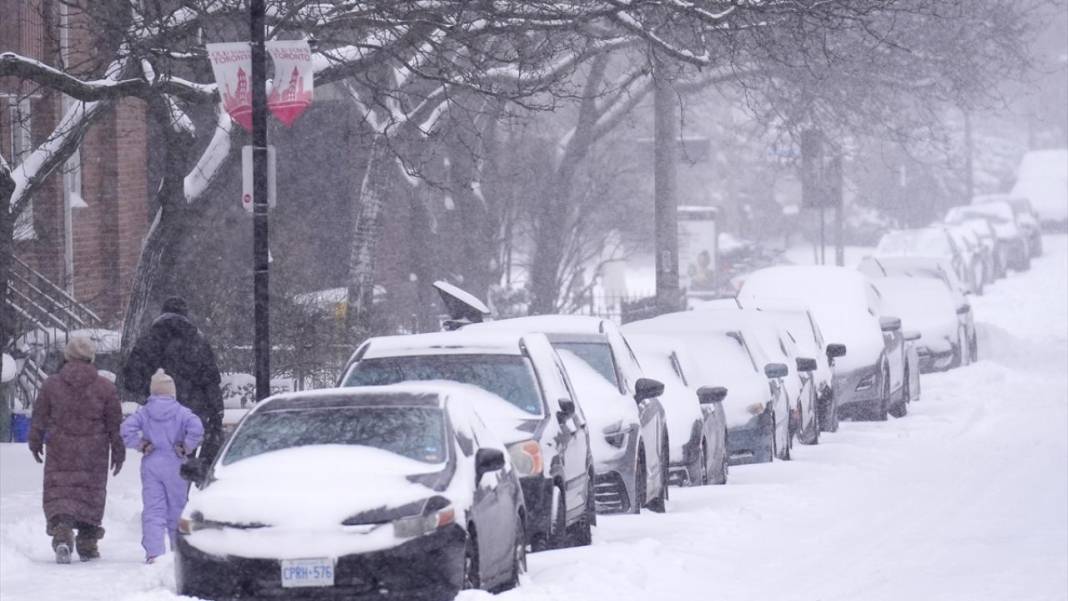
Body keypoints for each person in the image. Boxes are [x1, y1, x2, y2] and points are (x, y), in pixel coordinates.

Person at [28, 336, 124, 564]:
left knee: (62, 492)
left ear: (67, 356)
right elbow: (114, 423)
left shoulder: (51, 385)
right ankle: (88, 541)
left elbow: (39, 416)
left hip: (61, 448)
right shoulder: (105, 387)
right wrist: (118, 450)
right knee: (90, 493)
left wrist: (35, 440)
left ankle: (62, 528)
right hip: (93, 452)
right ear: (91, 357)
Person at [122, 296, 224, 463]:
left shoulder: (149, 339)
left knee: (158, 462)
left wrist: (148, 394)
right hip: (192, 411)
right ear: (186, 314)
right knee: (184, 462)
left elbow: (131, 377)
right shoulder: (197, 341)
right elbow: (211, 380)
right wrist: (216, 413)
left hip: (157, 415)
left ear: (163, 313)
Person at [121, 369, 203, 563]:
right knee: (178, 508)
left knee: (153, 510)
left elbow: (125, 430)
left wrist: (141, 444)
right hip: (176, 464)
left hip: (152, 464)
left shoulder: (144, 412)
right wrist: (186, 446)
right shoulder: (181, 412)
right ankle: (179, 551)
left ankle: (154, 553)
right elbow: (197, 427)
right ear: (172, 392)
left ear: (153, 392)